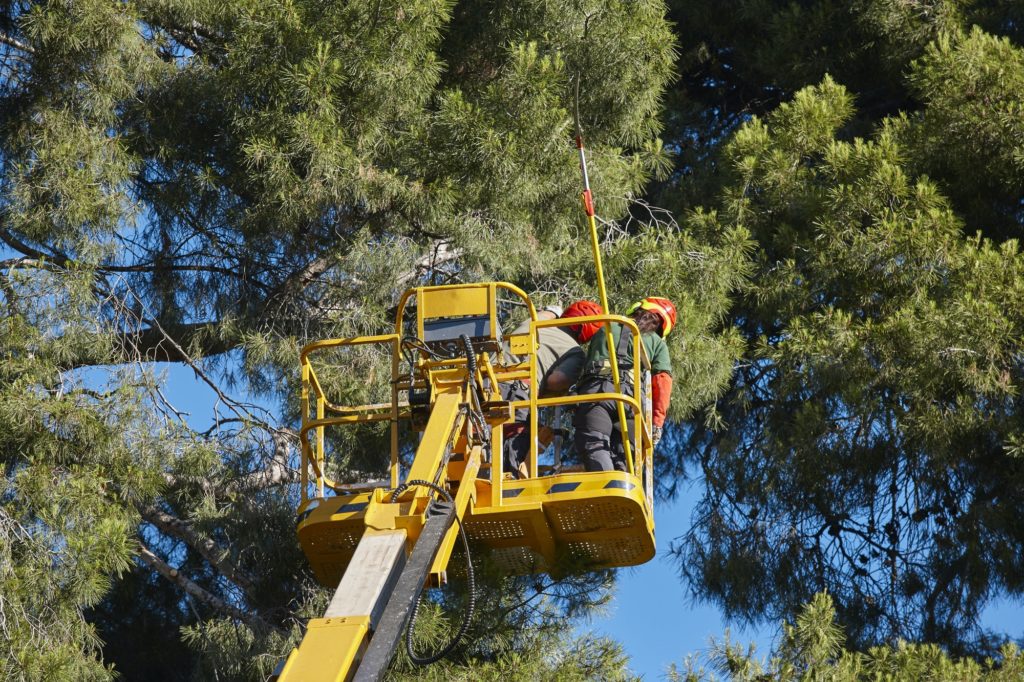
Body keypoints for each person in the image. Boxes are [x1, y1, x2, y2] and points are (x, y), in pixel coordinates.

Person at [573, 296, 676, 472]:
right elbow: (662, 382)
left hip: (598, 394)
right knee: (624, 456)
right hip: (632, 403)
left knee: (594, 444)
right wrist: (657, 423)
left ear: (638, 307)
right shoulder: (658, 343)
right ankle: (619, 486)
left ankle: (607, 485)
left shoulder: (607, 325)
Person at [503, 300, 604, 477]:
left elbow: (542, 315)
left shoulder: (534, 322)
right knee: (513, 441)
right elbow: (555, 381)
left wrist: (552, 312)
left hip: (483, 382)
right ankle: (508, 480)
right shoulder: (574, 351)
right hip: (516, 392)